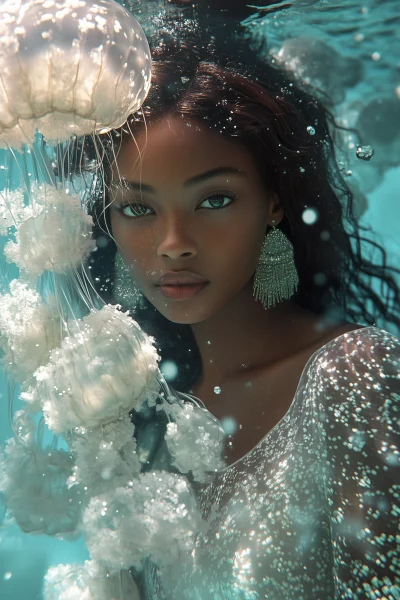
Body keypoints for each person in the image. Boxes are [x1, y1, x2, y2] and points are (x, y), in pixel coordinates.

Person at [79, 39, 400, 600]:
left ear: (274, 200)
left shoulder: (352, 375)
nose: (174, 244)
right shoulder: (149, 426)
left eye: (214, 200)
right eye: (138, 208)